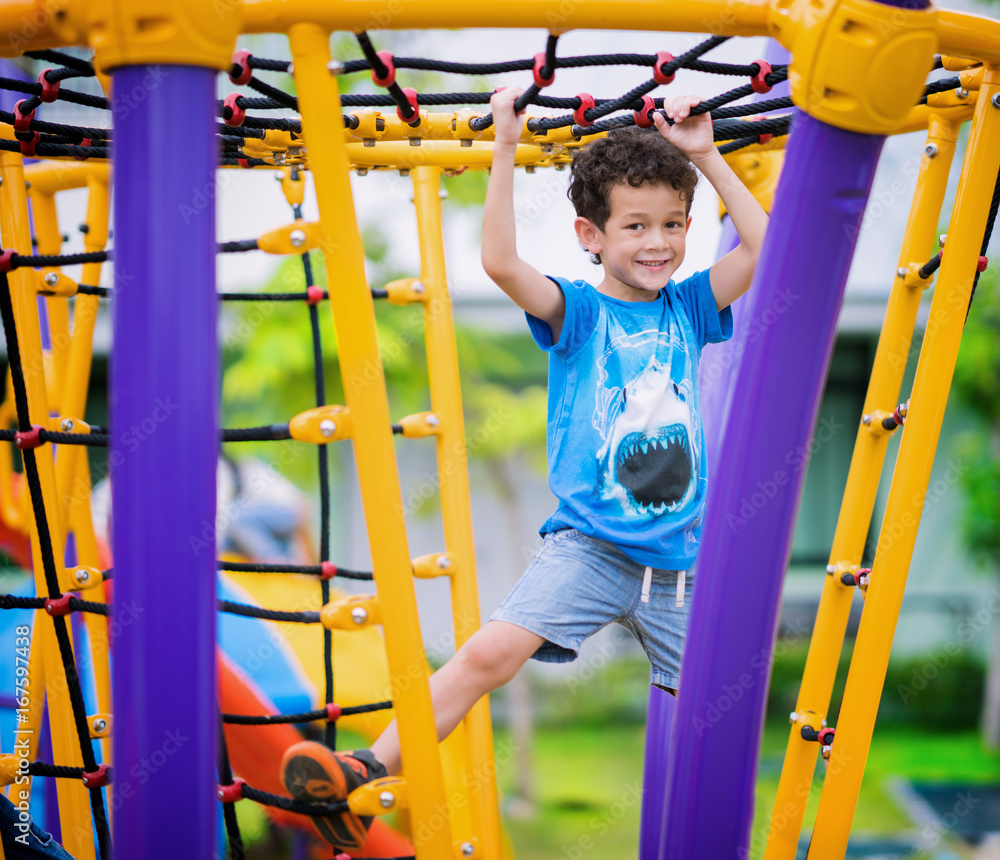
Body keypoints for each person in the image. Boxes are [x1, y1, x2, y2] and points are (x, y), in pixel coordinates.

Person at [279, 87, 769, 850]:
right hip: (592, 548)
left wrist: (705, 155)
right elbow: (501, 261)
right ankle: (362, 771)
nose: (659, 243)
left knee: (717, 717)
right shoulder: (578, 313)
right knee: (487, 653)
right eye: (635, 226)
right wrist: (505, 144)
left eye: (674, 224)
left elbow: (761, 246)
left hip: (682, 565)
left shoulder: (690, 309)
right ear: (591, 234)